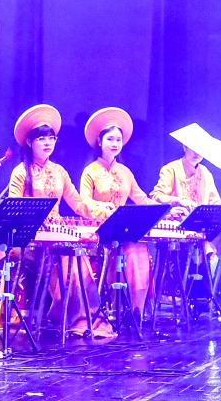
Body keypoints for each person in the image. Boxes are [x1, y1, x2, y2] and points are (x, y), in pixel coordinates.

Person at [7, 104, 113, 337]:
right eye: (41, 138)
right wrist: (34, 221)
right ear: (29, 142)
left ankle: (79, 317)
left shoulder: (60, 172)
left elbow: (78, 203)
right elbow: (14, 208)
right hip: (30, 233)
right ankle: (66, 315)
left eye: (51, 138)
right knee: (65, 258)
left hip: (54, 230)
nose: (48, 143)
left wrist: (102, 209)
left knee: (76, 256)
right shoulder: (20, 172)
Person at [79, 107, 154, 318]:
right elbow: (82, 201)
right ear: (99, 142)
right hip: (100, 228)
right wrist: (101, 207)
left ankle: (134, 307)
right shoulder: (90, 170)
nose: (115, 144)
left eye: (118, 140)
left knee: (138, 246)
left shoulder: (125, 172)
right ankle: (117, 303)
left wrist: (165, 209)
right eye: (110, 139)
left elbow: (142, 199)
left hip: (123, 228)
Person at [151, 143, 221, 308]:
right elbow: (156, 195)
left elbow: (215, 202)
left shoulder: (205, 173)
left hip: (203, 224)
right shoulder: (171, 169)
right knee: (202, 242)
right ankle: (201, 291)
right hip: (181, 226)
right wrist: (177, 200)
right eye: (193, 148)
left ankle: (216, 289)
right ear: (184, 147)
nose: (197, 153)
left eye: (201, 149)